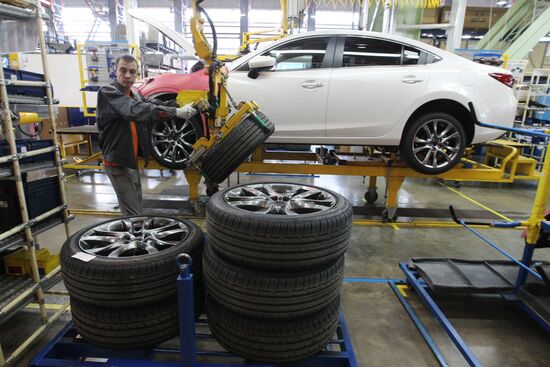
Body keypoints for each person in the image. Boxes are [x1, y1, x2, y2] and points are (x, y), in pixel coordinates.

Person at [96, 54, 197, 215]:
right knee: (133, 214)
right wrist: (177, 112)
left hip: (131, 162)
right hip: (117, 164)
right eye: (123, 70)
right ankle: (134, 238)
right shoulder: (108, 92)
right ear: (115, 71)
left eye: (132, 72)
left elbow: (153, 104)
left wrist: (181, 104)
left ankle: (135, 234)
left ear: (136, 74)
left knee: (136, 207)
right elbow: (134, 110)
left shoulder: (134, 94)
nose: (128, 76)